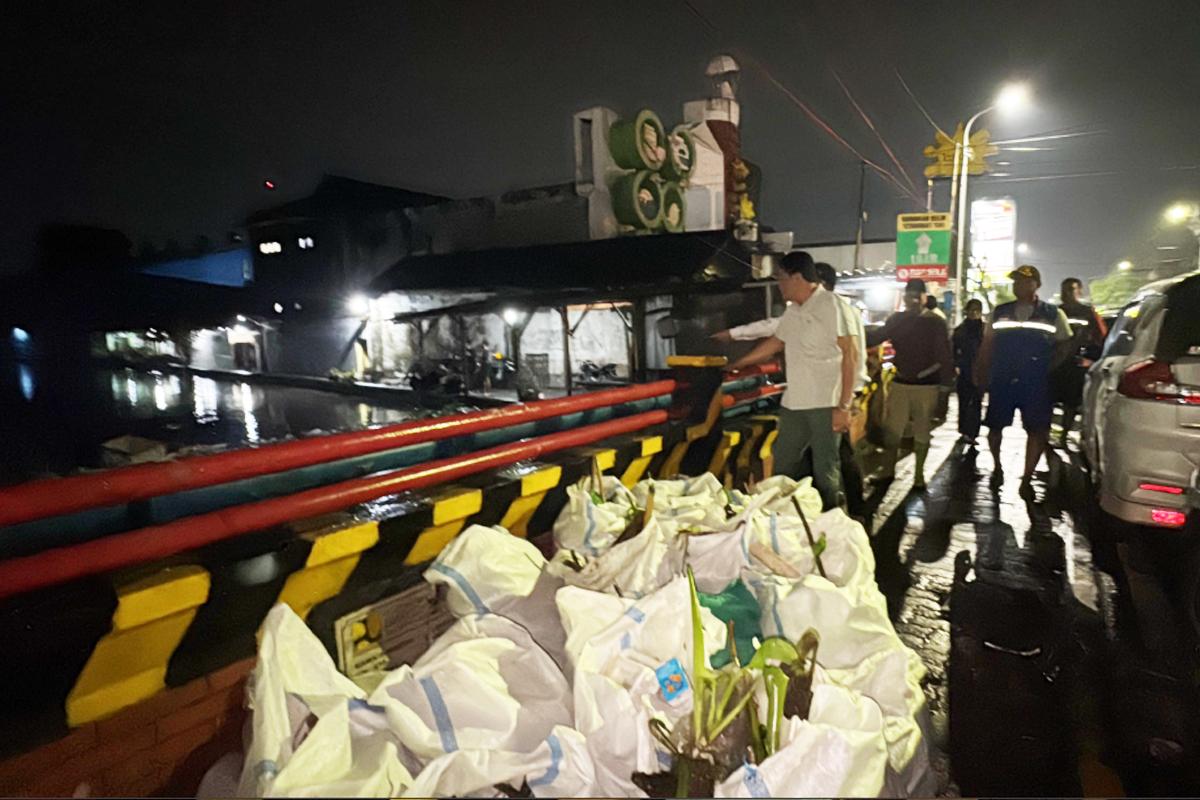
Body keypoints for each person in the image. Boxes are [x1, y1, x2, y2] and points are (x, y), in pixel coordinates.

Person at [726, 251, 859, 509]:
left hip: (826, 404)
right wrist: (737, 365)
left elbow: (850, 355)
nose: (779, 285)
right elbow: (776, 343)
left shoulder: (832, 305)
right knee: (783, 464)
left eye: (781, 278)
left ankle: (831, 519)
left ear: (797, 277)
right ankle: (786, 517)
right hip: (794, 403)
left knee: (825, 469)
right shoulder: (794, 311)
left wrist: (844, 406)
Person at [975, 264, 1073, 499]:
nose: (1018, 286)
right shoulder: (999, 312)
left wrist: (1048, 367)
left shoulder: (1053, 313)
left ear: (1036, 285)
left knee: (1037, 430)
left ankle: (1026, 478)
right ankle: (997, 467)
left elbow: (1065, 345)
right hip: (1003, 379)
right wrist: (980, 372)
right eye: (1016, 282)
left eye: (1024, 281)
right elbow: (987, 345)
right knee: (995, 427)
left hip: (1036, 383)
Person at [866, 279, 954, 490]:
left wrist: (944, 391)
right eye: (909, 296)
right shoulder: (897, 319)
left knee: (922, 432)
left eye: (917, 296)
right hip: (900, 382)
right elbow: (876, 337)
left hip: (927, 386)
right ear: (904, 298)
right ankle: (888, 471)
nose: (913, 300)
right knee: (892, 431)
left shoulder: (936, 322)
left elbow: (945, 357)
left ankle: (918, 476)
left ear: (925, 298)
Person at [1052, 277, 1108, 448]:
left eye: (1071, 289)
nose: (1067, 293)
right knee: (1050, 399)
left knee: (1072, 402)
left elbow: (1101, 336)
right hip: (1056, 362)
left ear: (1079, 291)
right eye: (1064, 289)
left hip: (1077, 363)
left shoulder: (1087, 312)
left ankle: (1064, 435)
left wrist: (1091, 359)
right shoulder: (1055, 312)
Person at [953, 298, 986, 446]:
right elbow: (954, 351)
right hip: (964, 370)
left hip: (979, 371)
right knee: (964, 402)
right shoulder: (960, 330)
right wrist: (956, 365)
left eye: (977, 310)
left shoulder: (985, 330)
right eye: (972, 310)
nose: (974, 313)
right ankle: (964, 430)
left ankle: (972, 432)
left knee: (976, 402)